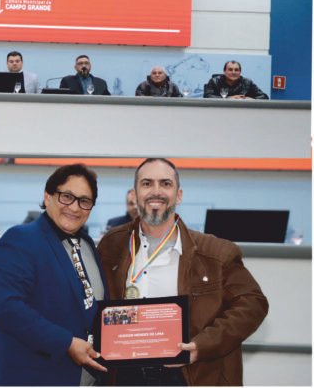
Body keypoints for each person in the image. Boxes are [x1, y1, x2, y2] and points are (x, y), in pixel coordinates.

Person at [97, 158, 269, 386]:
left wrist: (201, 346)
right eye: (147, 183)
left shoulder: (216, 253)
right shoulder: (112, 244)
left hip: (190, 375)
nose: (156, 191)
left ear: (179, 195)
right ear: (135, 193)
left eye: (165, 184)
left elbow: (253, 304)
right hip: (124, 375)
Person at [0, 164, 108, 386]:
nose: (75, 208)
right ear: (48, 196)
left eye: (84, 201)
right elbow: (5, 307)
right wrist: (66, 343)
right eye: (66, 196)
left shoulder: (87, 245)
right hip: (30, 377)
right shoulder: (21, 239)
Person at [203, 60, 269, 99]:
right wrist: (229, 99)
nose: (233, 72)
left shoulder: (247, 82)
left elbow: (264, 96)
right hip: (220, 112)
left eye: (236, 70)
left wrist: (251, 99)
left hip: (242, 113)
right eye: (230, 69)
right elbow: (207, 96)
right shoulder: (214, 81)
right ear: (224, 71)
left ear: (240, 72)